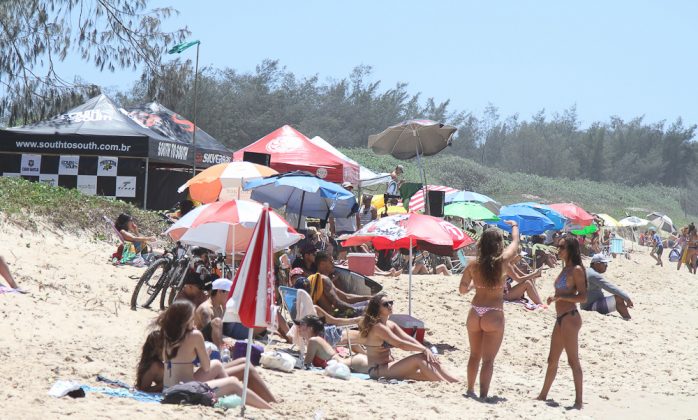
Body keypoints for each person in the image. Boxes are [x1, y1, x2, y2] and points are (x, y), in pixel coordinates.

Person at [158, 300, 271, 409]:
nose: (194, 321)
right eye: (192, 318)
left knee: (217, 364)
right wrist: (205, 354)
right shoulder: (194, 335)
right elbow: (206, 367)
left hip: (169, 389)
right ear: (185, 319)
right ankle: (268, 408)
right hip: (184, 391)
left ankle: (229, 396)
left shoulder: (165, 334)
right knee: (233, 383)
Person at [458, 220, 519, 400]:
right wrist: (514, 226)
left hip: (475, 311)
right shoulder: (503, 261)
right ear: (499, 244)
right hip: (493, 312)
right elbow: (515, 244)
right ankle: (483, 395)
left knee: (474, 355)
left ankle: (470, 390)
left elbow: (462, 289)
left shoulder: (473, 264)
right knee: (488, 360)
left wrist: (471, 287)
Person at [135, 329, 277, 403]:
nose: (168, 347)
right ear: (154, 348)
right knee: (245, 369)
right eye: (163, 345)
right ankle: (270, 401)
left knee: (244, 362)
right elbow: (142, 390)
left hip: (191, 379)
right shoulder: (154, 365)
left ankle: (269, 399)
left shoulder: (163, 360)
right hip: (186, 386)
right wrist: (162, 386)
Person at [536, 236, 588, 410]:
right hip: (561, 317)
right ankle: (543, 395)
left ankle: (579, 401)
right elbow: (562, 291)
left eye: (561, 247)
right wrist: (555, 297)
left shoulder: (577, 270)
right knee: (552, 359)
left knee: (573, 361)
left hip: (570, 317)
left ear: (571, 249)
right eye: (558, 247)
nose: (558, 250)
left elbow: (583, 297)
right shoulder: (565, 268)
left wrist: (561, 297)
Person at [359, 293, 458, 382]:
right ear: (377, 309)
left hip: (390, 366)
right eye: (385, 304)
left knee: (428, 359)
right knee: (419, 359)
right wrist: (423, 349)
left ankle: (454, 381)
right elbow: (400, 344)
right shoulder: (378, 327)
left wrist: (426, 351)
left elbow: (408, 338)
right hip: (377, 370)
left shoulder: (390, 324)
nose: (390, 306)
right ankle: (443, 383)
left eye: (391, 302)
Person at [299, 315, 368, 371]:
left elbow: (306, 364)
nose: (298, 327)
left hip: (355, 364)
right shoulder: (318, 340)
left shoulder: (314, 340)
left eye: (302, 325)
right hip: (354, 363)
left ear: (310, 328)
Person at [582, 254, 633, 320]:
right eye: (604, 263)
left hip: (588, 305)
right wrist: (626, 298)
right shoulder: (593, 275)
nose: (606, 265)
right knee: (619, 298)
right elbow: (609, 287)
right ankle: (627, 318)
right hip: (590, 307)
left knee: (617, 297)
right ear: (597, 264)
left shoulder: (588, 271)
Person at [195, 278, 233, 349]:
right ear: (220, 292)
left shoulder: (220, 307)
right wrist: (225, 342)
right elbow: (211, 335)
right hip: (202, 345)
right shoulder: (206, 309)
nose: (230, 297)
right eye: (229, 294)